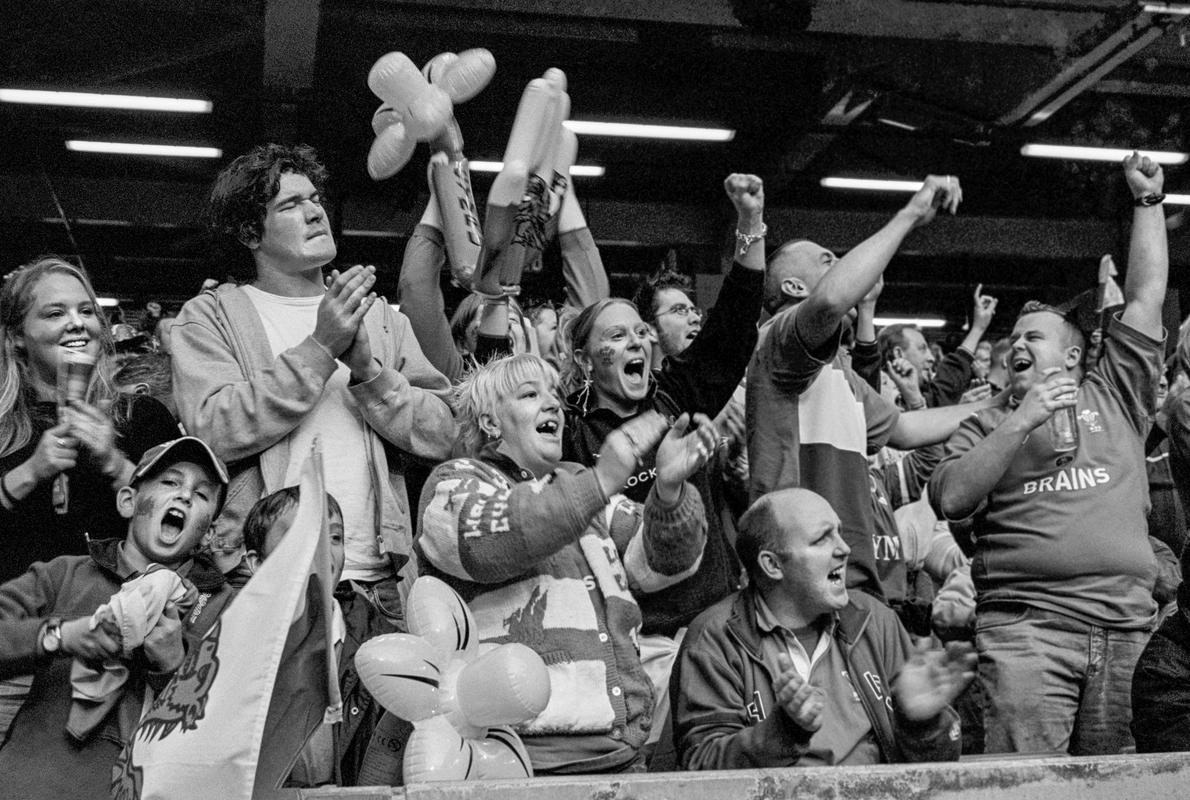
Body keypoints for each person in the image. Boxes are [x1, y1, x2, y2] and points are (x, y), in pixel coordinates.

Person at [929, 153, 1168, 755]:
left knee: (1128, 790)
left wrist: (1147, 202)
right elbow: (952, 497)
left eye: (1033, 336)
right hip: (1027, 629)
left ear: (1073, 356)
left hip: (1128, 624)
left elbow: (1145, 297)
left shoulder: (1115, 392)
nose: (1017, 344)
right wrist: (1021, 419)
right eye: (1012, 340)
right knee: (1027, 785)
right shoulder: (985, 424)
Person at [171, 144, 456, 637]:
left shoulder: (380, 318)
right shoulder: (211, 316)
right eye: (290, 204)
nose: (314, 211)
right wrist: (320, 348)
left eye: (315, 198)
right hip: (256, 576)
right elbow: (213, 429)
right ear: (249, 233)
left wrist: (369, 372)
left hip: (378, 583)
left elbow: (445, 433)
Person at [417, 353, 718, 774]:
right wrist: (601, 480)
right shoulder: (456, 482)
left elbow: (662, 565)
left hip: (621, 753)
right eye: (530, 394)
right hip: (517, 760)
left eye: (556, 395)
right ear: (489, 422)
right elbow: (491, 544)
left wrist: (668, 491)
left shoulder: (583, 487)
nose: (554, 404)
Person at [747, 175, 1001, 598]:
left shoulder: (839, 368)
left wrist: (1002, 403)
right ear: (794, 287)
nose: (842, 267)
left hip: (854, 573)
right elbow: (830, 300)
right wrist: (911, 214)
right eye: (828, 261)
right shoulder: (778, 341)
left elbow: (905, 429)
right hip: (800, 574)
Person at [0, 436, 234, 800]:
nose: (185, 496)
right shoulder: (64, 574)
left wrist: (175, 665)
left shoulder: (221, 605)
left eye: (202, 494)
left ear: (208, 532)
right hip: (30, 784)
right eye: (170, 482)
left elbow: (234, 727)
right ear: (128, 501)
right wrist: (60, 636)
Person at [671, 488, 971, 769]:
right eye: (822, 539)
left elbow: (938, 766)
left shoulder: (874, 620)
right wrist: (784, 732)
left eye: (839, 533)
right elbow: (702, 766)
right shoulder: (715, 638)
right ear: (773, 565)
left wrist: (921, 725)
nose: (845, 549)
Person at [876, 283, 997, 407]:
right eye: (922, 349)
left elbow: (950, 376)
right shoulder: (877, 398)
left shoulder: (925, 396)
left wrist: (978, 328)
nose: (931, 358)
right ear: (898, 353)